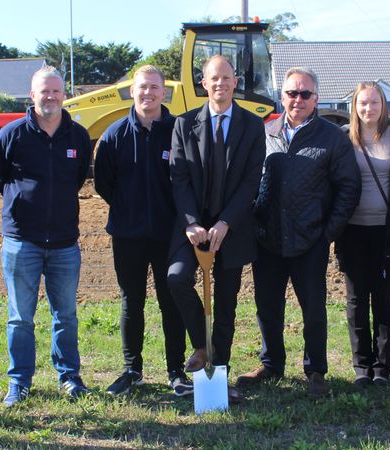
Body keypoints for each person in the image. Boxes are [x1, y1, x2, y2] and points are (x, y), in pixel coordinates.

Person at [241, 67, 360, 398]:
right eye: (292, 93)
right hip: (268, 237)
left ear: (316, 98)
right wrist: (253, 223)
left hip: (310, 239)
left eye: (305, 94)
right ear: (282, 97)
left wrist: (327, 232)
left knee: (313, 308)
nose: (298, 99)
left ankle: (316, 369)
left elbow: (348, 187)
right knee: (267, 305)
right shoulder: (266, 133)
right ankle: (271, 363)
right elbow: (249, 181)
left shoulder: (332, 138)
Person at [167, 55, 265, 403]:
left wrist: (226, 221)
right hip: (191, 228)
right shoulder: (184, 124)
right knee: (176, 278)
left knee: (226, 303)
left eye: (226, 77)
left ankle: (218, 374)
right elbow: (178, 178)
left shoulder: (252, 127)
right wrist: (192, 223)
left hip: (232, 228)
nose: (220, 83)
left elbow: (252, 180)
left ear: (235, 82)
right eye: (213, 78)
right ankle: (202, 345)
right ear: (204, 83)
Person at [0, 66, 92, 405]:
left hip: (65, 243)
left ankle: (69, 376)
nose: (49, 97)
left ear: (64, 95)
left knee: (65, 314)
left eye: (55, 91)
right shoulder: (12, 135)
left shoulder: (78, 136)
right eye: (43, 91)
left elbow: (79, 177)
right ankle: (19, 382)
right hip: (22, 241)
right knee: (21, 317)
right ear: (31, 95)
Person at [94, 65, 191, 397]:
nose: (148, 93)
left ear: (164, 92)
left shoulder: (180, 131)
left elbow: (190, 180)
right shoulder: (114, 134)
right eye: (142, 87)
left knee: (170, 302)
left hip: (169, 235)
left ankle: (176, 371)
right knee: (131, 301)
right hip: (128, 234)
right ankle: (131, 369)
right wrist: (129, 209)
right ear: (131, 91)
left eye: (154, 87)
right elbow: (105, 183)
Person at [335, 82, 390, 387]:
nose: (368, 109)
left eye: (374, 102)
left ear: (384, 105)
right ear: (354, 107)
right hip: (352, 231)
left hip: (386, 232)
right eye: (362, 103)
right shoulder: (344, 138)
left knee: (382, 298)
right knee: (356, 299)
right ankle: (361, 367)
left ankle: (382, 367)